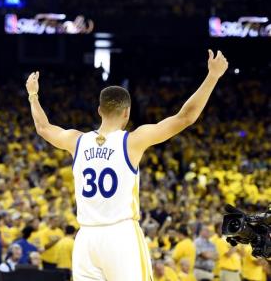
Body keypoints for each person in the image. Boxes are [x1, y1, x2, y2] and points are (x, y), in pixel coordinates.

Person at [25, 49, 229, 281]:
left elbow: (43, 127)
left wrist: (33, 95)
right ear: (127, 112)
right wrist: (213, 76)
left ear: (99, 110)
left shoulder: (76, 140)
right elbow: (185, 117)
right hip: (120, 235)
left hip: (86, 239)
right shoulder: (132, 141)